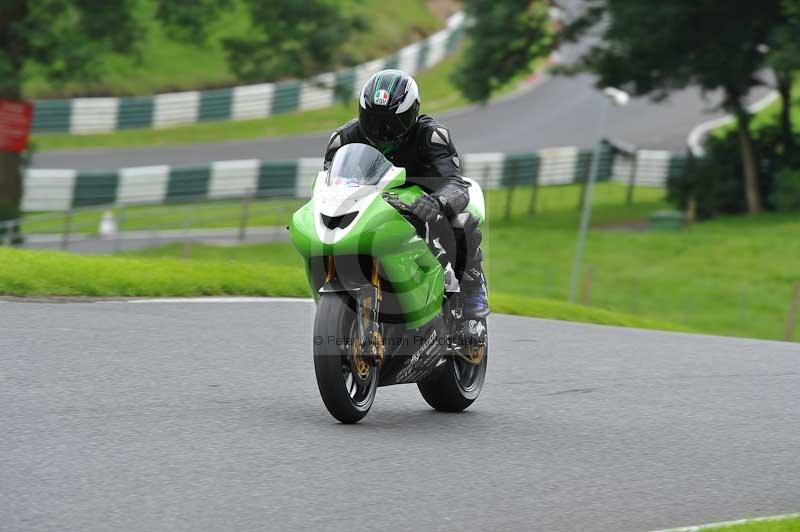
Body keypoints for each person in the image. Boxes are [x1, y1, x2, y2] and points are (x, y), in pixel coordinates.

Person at [323, 69, 488, 338]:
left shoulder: (432, 136)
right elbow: (330, 183)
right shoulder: (343, 139)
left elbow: (456, 184)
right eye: (374, 121)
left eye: (392, 123)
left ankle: (472, 292)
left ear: (413, 113)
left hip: (422, 203)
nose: (382, 131)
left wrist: (437, 202)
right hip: (372, 204)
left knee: (461, 222)